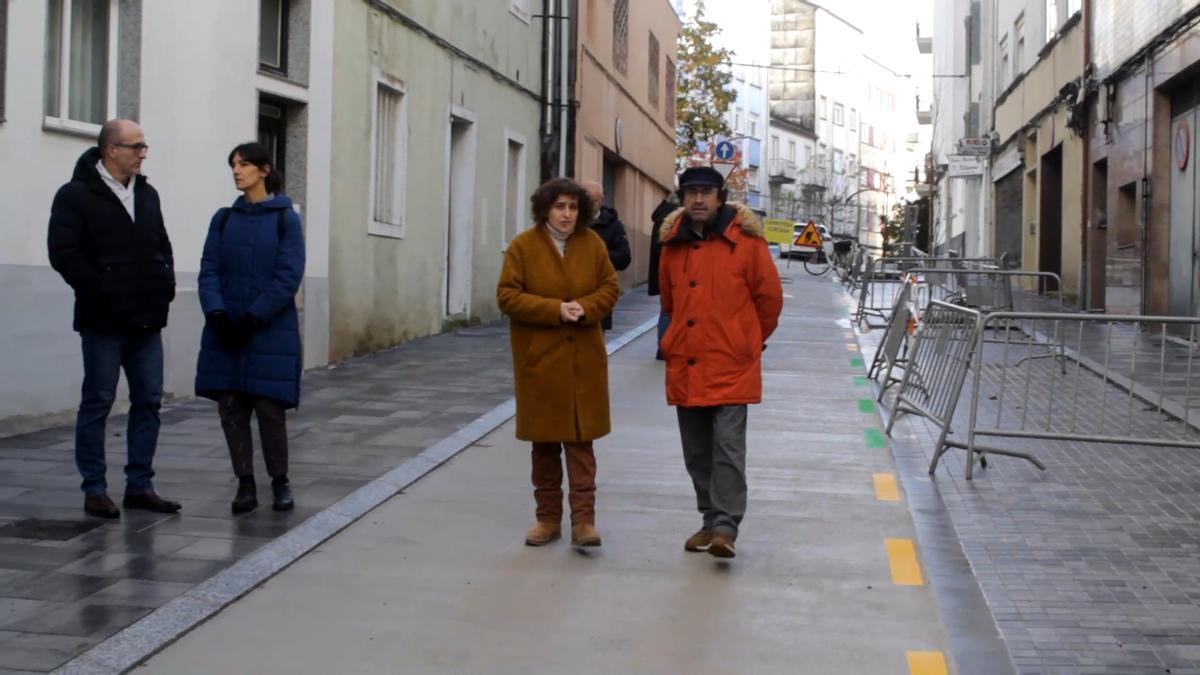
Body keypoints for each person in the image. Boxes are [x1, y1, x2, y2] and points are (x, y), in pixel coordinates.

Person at [47, 119, 180, 519]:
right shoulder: (75, 196)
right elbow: (63, 252)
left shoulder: (148, 194)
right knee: (99, 401)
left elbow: (162, 243)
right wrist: (102, 288)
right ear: (111, 150)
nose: (143, 153)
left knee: (149, 401)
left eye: (144, 146)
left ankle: (140, 485)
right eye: (136, 146)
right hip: (102, 320)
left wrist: (164, 283)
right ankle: (95, 488)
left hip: (146, 320)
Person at [657, 166, 783, 559]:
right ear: (681, 197)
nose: (698, 199)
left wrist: (748, 339)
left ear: (720, 197)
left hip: (732, 362)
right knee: (696, 451)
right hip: (688, 362)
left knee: (727, 448)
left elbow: (770, 300)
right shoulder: (672, 245)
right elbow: (669, 301)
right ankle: (709, 521)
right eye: (691, 192)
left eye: (706, 193)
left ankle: (726, 527)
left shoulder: (747, 243)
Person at [497, 178, 620, 548]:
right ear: (545, 209)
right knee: (546, 445)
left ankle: (585, 522)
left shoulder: (593, 244)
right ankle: (547, 519)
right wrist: (554, 309)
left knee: (582, 444)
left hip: (584, 360)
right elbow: (507, 296)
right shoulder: (523, 246)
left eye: (573, 207)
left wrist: (587, 307)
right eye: (559, 207)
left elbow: (610, 287)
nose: (567, 214)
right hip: (541, 361)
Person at [195, 142, 305, 513]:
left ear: (263, 169)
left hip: (270, 330)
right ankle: (244, 484)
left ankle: (279, 482)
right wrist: (218, 315)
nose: (236, 171)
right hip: (226, 329)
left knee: (269, 408)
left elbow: (288, 276)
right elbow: (209, 269)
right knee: (232, 408)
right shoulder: (223, 219)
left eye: (243, 164)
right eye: (233, 165)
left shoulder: (285, 219)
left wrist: (255, 317)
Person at [581, 181, 630, 330]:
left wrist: (597, 255)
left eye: (594, 199)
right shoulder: (571, 221)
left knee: (596, 346)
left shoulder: (613, 225)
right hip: (571, 294)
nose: (590, 203)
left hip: (599, 294)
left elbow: (624, 258)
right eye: (586, 198)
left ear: (602, 200)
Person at [648, 193, 679, 360]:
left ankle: (663, 348)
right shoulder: (670, 219)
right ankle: (664, 348)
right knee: (668, 311)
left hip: (662, 271)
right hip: (670, 272)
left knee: (666, 310)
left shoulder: (661, 216)